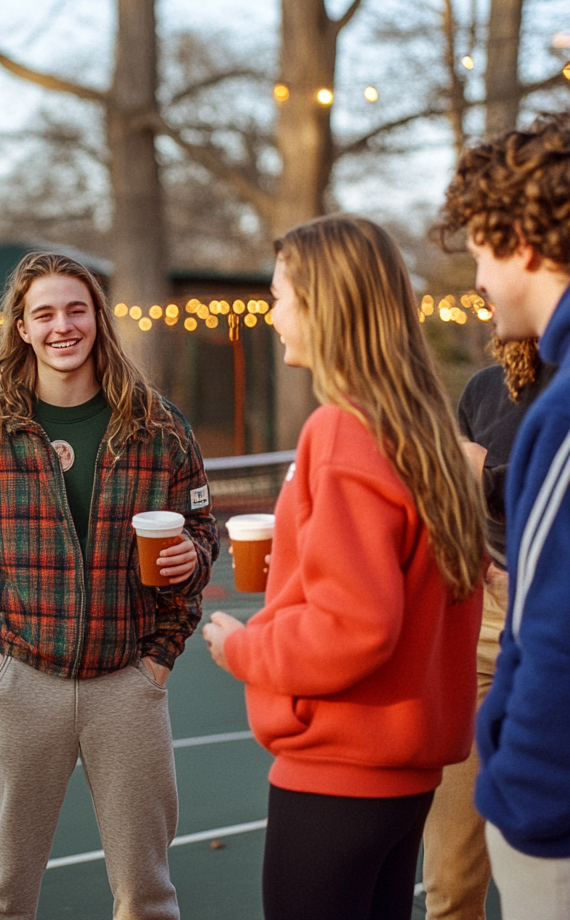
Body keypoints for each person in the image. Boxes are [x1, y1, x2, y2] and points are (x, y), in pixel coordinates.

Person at [0, 252, 218, 920]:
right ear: (21, 328)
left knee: (148, 896)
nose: (63, 326)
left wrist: (162, 651)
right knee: (6, 899)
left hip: (129, 686)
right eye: (44, 313)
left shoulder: (159, 426)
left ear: (98, 319)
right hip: (22, 682)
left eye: (75, 309)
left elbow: (202, 531)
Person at [203, 214, 485, 920]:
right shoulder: (421, 429)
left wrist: (242, 647)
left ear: (323, 305)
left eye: (280, 298)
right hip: (404, 776)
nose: (271, 316)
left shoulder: (341, 428)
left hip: (341, 773)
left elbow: (354, 625)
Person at [435, 111, 570, 920]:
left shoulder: (560, 408)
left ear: (520, 238)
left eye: (481, 248)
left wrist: (522, 799)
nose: (478, 277)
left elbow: (553, 628)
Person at [421, 338, 554, 920]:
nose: (481, 285)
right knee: (450, 878)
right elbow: (452, 508)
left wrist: (488, 480)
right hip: (479, 625)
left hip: (553, 627)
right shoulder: (480, 389)